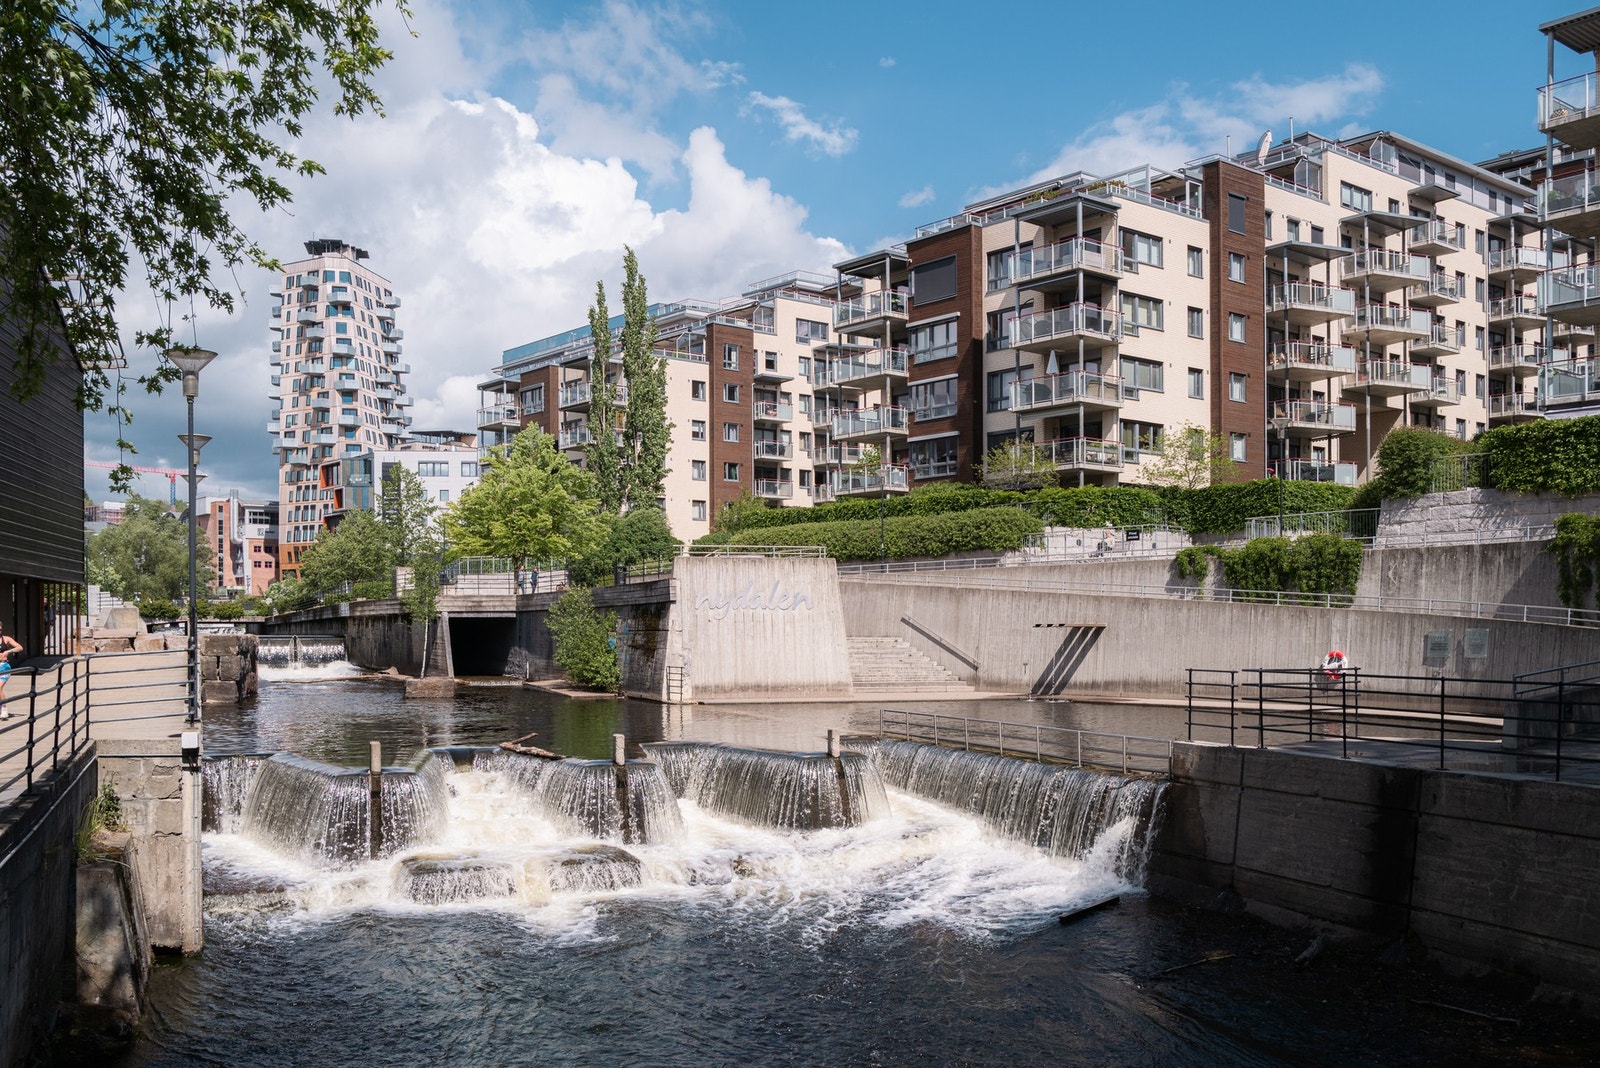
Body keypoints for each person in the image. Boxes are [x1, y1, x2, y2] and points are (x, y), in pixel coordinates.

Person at [0, 625, 23, 718]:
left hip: (4, 666)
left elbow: (20, 647)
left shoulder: (6, 639)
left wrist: (8, 651)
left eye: (0, 629)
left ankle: (4, 709)